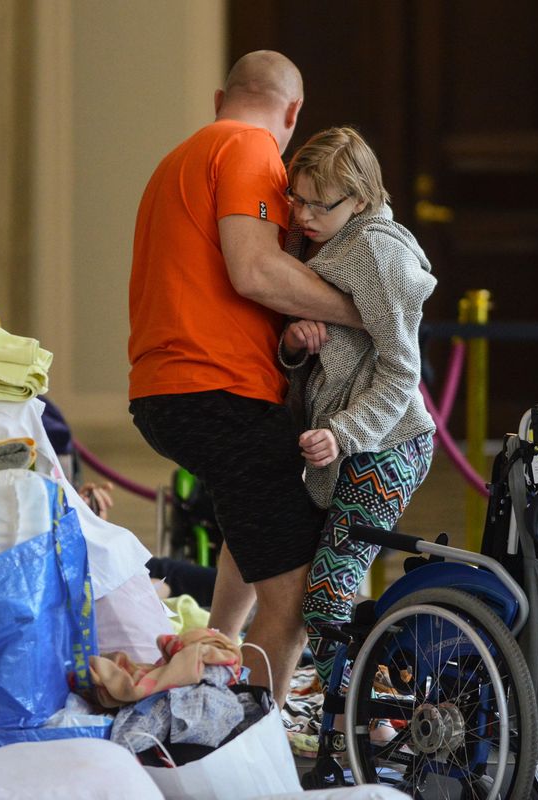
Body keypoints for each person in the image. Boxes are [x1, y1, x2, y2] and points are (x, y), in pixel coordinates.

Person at [127, 51, 362, 696]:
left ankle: (216, 648)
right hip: (218, 393)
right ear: (293, 113)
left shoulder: (179, 158)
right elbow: (254, 270)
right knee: (295, 599)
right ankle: (255, 750)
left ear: (217, 98)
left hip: (162, 392)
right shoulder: (251, 150)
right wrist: (365, 311)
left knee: (254, 526)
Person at [279, 127, 436, 687]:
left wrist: (344, 434)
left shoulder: (377, 253)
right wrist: (297, 343)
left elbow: (401, 372)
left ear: (363, 199)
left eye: (321, 204)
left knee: (325, 600)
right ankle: (369, 705)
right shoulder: (326, 240)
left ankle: (368, 716)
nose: (304, 214)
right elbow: (339, 357)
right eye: (296, 198)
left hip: (390, 442)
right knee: (330, 589)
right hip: (347, 441)